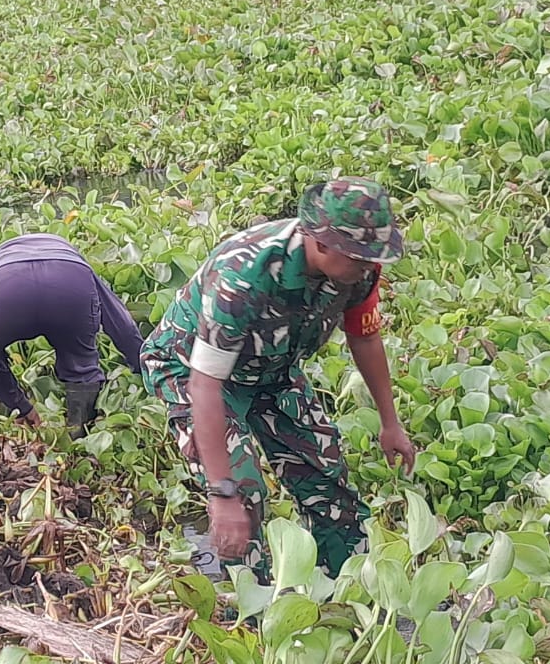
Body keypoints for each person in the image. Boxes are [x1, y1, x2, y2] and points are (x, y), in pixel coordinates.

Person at [140, 177, 417, 582]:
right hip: (190, 369)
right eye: (360, 257)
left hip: (271, 369)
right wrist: (221, 491)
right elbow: (205, 385)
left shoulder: (358, 272)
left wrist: (390, 423)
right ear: (322, 243)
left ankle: (347, 591)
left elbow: (365, 337)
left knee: (327, 479)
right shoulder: (244, 275)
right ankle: (255, 612)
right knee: (243, 492)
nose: (369, 266)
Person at [0, 233, 145, 438]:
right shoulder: (75, 259)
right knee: (81, 362)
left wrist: (18, 405)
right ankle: (78, 436)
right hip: (71, 282)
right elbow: (121, 323)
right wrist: (148, 371)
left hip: (7, 284)